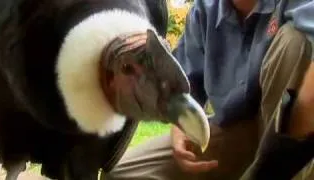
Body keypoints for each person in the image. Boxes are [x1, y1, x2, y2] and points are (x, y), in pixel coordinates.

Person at [100, 0, 314, 179]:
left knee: (295, 40)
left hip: (293, 135)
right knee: (122, 174)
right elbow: (184, 86)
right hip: (231, 132)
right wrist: (180, 127)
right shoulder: (204, 11)